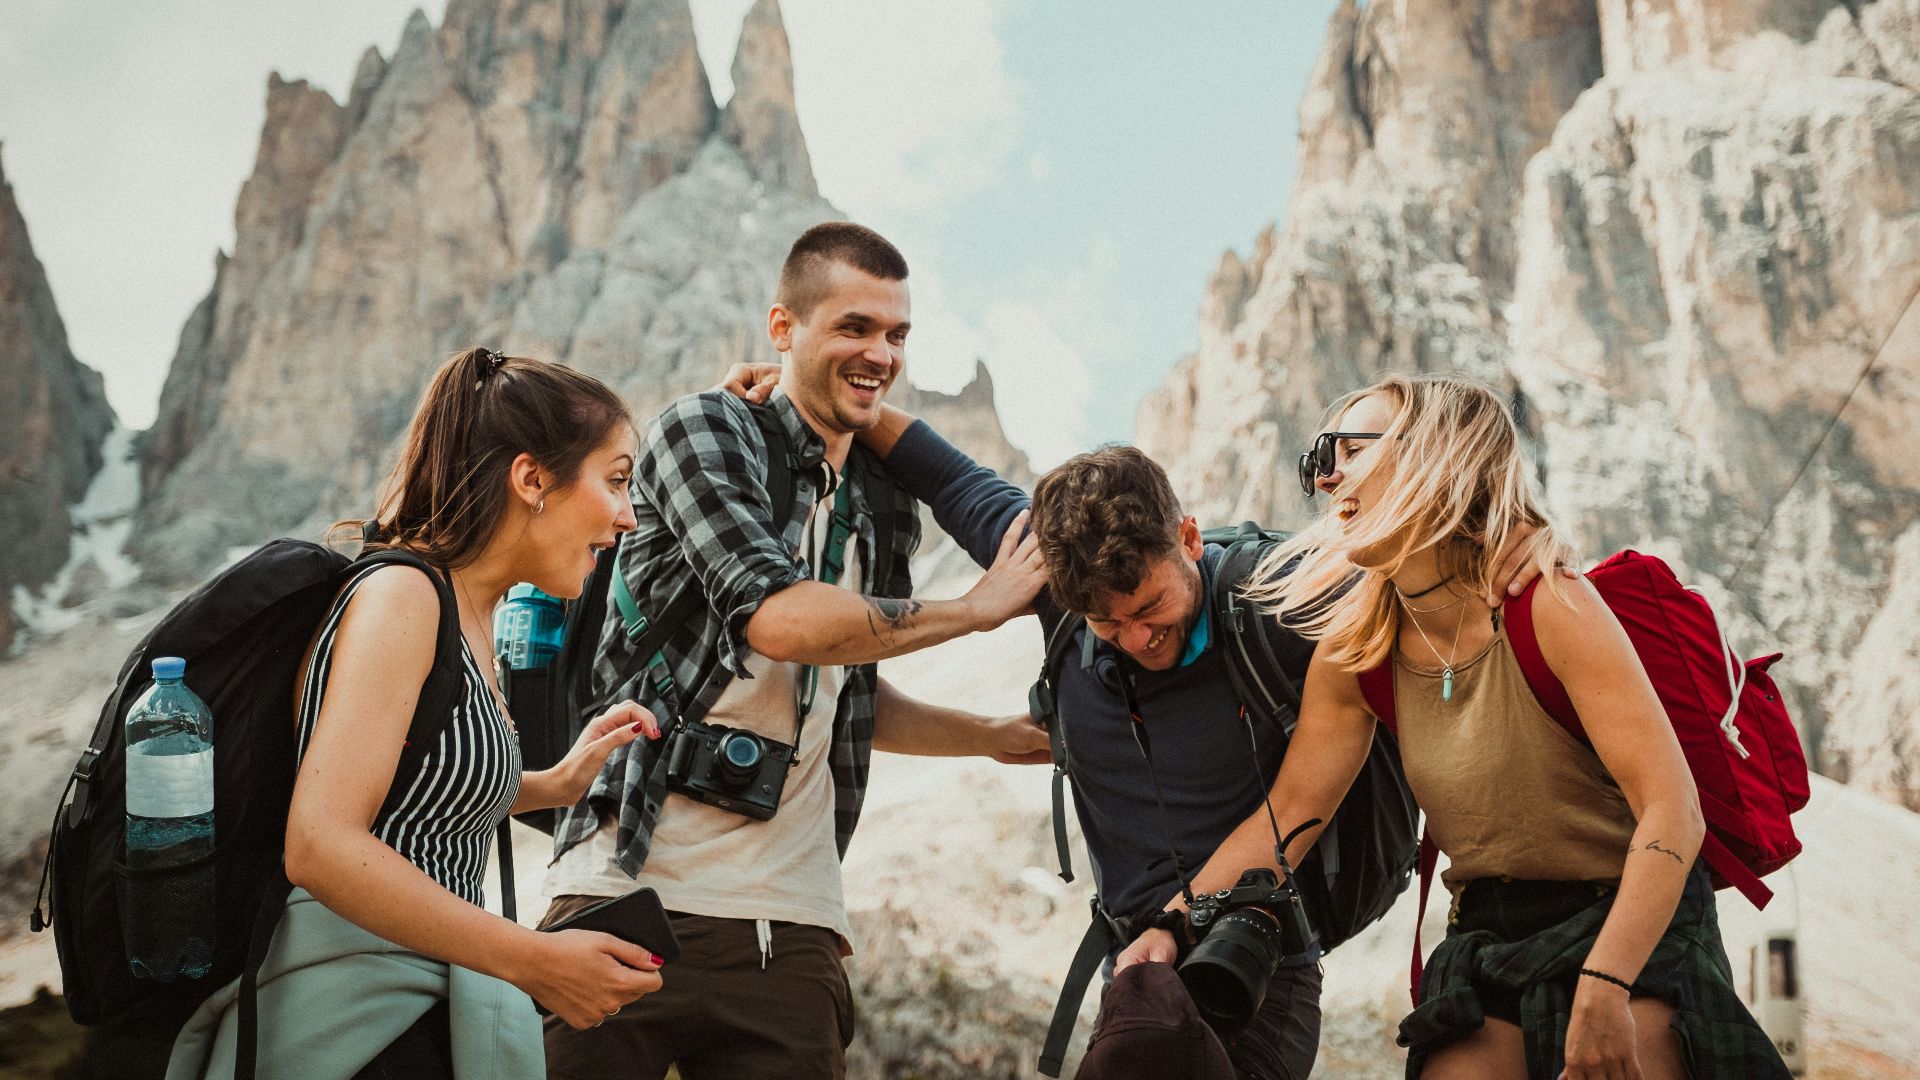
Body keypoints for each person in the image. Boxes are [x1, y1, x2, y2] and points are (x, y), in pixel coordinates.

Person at [715, 365, 1551, 1080]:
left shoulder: (1278, 601)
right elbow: (948, 476)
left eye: (1152, 607)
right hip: (1136, 965)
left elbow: (1429, 556)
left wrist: (1520, 545)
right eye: (1108, 626)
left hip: (1255, 962)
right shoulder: (1057, 589)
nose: (1139, 639)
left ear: (1188, 536)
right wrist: (819, 392)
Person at [1119, 372, 1789, 1079]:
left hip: (1627, 917)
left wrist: (1608, 983)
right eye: (1321, 459)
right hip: (1487, 932)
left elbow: (1673, 812)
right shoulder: (1357, 654)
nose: (1326, 478)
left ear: (1434, 454)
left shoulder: (1548, 604)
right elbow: (1289, 814)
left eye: (1349, 450)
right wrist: (1172, 921)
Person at [539, 222, 1050, 1080]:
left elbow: (842, 688)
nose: (880, 354)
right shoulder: (703, 431)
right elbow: (776, 619)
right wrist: (974, 610)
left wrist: (989, 735)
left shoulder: (883, 505)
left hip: (794, 929)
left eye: (896, 335)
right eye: (853, 327)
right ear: (783, 328)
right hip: (623, 895)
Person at [167, 348, 667, 1080]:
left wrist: (553, 783)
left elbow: (409, 789)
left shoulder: (468, 614)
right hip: (350, 1024)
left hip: (414, 1011)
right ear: (531, 479)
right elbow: (321, 842)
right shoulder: (405, 596)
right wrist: (537, 960)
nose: (626, 516)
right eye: (617, 481)